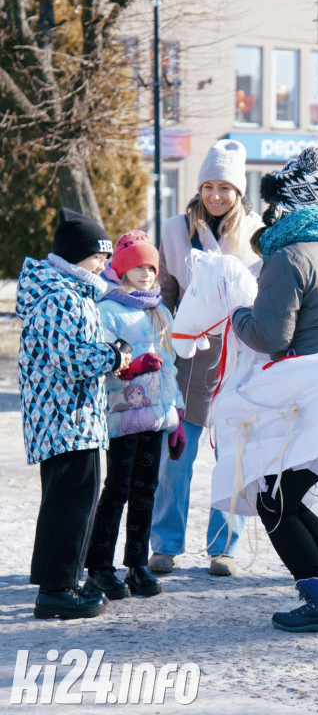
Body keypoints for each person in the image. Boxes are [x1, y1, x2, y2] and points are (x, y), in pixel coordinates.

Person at [231, 147, 318, 632]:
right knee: (286, 497)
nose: (265, 222)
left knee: (271, 500)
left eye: (270, 212)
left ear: (283, 211)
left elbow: (271, 337)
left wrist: (237, 315)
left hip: (308, 399)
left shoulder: (287, 257)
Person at [149, 139, 262, 577]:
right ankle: (166, 542)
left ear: (239, 190)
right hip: (190, 353)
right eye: (209, 185)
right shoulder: (177, 228)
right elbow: (167, 290)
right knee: (176, 452)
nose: (215, 195)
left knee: (232, 454)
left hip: (240, 352)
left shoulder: (256, 229)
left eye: (225, 187)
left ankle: (224, 546)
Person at [16, 207, 131, 619]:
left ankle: (64, 582)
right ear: (73, 255)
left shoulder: (68, 291)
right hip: (65, 420)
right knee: (71, 505)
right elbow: (72, 357)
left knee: (72, 503)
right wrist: (114, 354)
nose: (104, 262)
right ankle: (56, 590)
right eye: (98, 255)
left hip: (72, 419)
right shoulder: (59, 295)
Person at [85, 231, 185, 599]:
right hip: (123, 417)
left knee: (147, 490)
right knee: (118, 489)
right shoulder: (108, 310)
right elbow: (105, 365)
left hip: (155, 420)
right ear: (122, 269)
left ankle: (136, 563)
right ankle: (99, 566)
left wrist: (175, 414)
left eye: (151, 267)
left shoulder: (160, 311)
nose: (146, 274)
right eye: (138, 266)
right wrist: (131, 367)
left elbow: (171, 366)